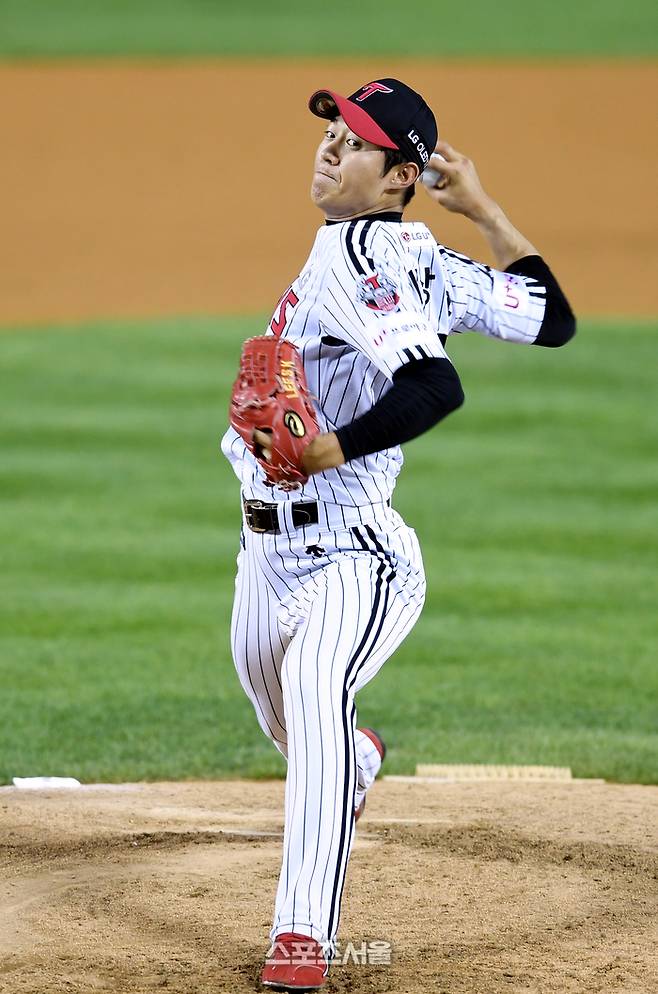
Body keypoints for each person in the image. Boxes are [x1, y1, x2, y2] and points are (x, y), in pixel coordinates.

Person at [220, 78, 575, 991]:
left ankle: (300, 940)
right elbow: (553, 316)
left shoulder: (359, 256)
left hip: (355, 551)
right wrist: (487, 212)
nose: (333, 147)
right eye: (334, 131)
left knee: (312, 683)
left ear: (397, 178)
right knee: (295, 725)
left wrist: (330, 448)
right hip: (266, 556)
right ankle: (358, 761)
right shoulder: (412, 253)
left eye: (359, 142)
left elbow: (436, 387)